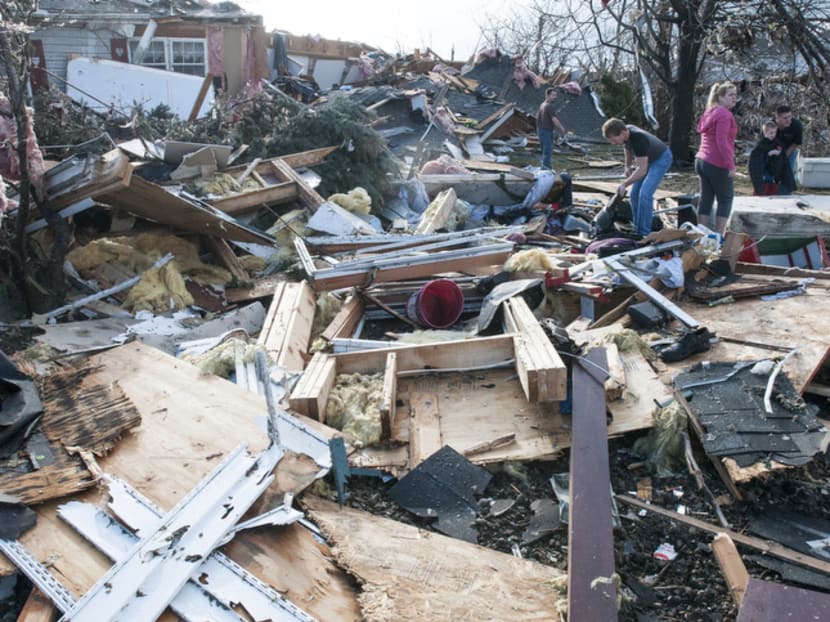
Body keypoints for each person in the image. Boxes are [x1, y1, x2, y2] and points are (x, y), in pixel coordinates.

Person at [602, 118, 673, 238]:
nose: (614, 143)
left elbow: (642, 170)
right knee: (634, 194)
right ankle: (637, 227)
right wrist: (627, 166)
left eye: (614, 140)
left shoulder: (639, 139)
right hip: (647, 160)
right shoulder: (626, 131)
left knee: (645, 194)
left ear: (623, 133)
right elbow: (627, 148)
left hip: (661, 159)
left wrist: (624, 184)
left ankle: (644, 233)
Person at [695, 81, 738, 234]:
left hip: (701, 160)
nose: (734, 98)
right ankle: (719, 238)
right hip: (716, 162)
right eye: (730, 95)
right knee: (725, 199)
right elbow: (721, 141)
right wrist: (730, 164)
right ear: (720, 97)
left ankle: (702, 235)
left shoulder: (709, 111)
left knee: (706, 199)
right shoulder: (725, 114)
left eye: (735, 95)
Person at [748, 120, 795, 195]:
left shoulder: (777, 143)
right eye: (771, 133)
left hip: (775, 173)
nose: (773, 134)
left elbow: (783, 160)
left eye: (775, 132)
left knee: (785, 190)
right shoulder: (760, 146)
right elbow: (756, 163)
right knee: (765, 190)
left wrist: (779, 154)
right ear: (765, 133)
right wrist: (768, 154)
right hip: (765, 174)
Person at [774, 104, 803, 194]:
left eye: (790, 117)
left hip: (789, 149)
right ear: (777, 118)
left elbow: (796, 143)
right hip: (774, 150)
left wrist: (784, 156)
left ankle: (785, 193)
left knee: (788, 170)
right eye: (785, 118)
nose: (788, 120)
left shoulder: (796, 125)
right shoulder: (770, 126)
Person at [536, 87, 567, 170]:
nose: (555, 97)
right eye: (553, 95)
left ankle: (543, 168)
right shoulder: (549, 106)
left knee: (544, 151)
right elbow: (554, 119)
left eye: (556, 95)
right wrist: (561, 128)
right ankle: (546, 169)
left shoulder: (542, 105)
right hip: (545, 131)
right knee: (547, 150)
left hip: (541, 130)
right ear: (547, 95)